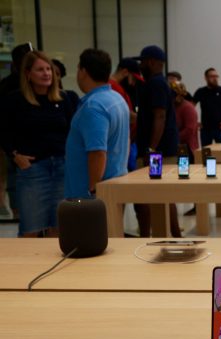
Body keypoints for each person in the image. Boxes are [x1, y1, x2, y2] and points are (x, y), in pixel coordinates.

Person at [0, 50, 74, 237]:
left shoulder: (64, 99)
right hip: (33, 171)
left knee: (59, 227)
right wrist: (14, 155)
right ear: (28, 74)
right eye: (40, 69)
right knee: (31, 228)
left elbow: (73, 132)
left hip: (62, 168)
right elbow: (3, 131)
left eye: (48, 69)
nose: (46, 73)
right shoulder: (15, 100)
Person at [64, 49, 130, 199]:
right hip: (115, 183)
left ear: (83, 71)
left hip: (88, 195)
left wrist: (93, 189)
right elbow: (126, 140)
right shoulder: (117, 99)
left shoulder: (94, 106)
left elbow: (97, 152)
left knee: (89, 224)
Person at [134, 45, 181, 237]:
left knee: (152, 195)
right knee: (163, 195)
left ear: (152, 62)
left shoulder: (156, 84)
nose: (141, 65)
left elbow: (159, 116)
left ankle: (160, 236)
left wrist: (151, 149)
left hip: (158, 151)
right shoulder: (158, 83)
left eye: (142, 61)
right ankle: (173, 236)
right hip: (160, 150)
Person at [0, 42, 32, 220]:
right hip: (16, 144)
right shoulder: (14, 86)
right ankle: (18, 213)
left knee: (14, 180)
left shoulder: (8, 84)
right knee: (14, 178)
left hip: (14, 144)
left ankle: (17, 213)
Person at [171, 82, 199, 160]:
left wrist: (172, 138)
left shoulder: (188, 108)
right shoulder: (172, 106)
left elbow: (189, 130)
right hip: (175, 147)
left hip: (186, 150)